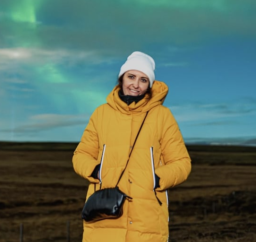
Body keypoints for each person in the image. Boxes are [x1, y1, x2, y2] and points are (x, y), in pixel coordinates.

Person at [72, 51, 191, 242]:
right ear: (121, 78)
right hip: (105, 212)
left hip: (146, 216)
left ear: (150, 85)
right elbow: (81, 155)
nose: (136, 84)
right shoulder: (101, 114)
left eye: (143, 80)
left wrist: (155, 179)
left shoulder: (162, 116)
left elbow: (182, 163)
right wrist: (97, 171)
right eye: (131, 77)